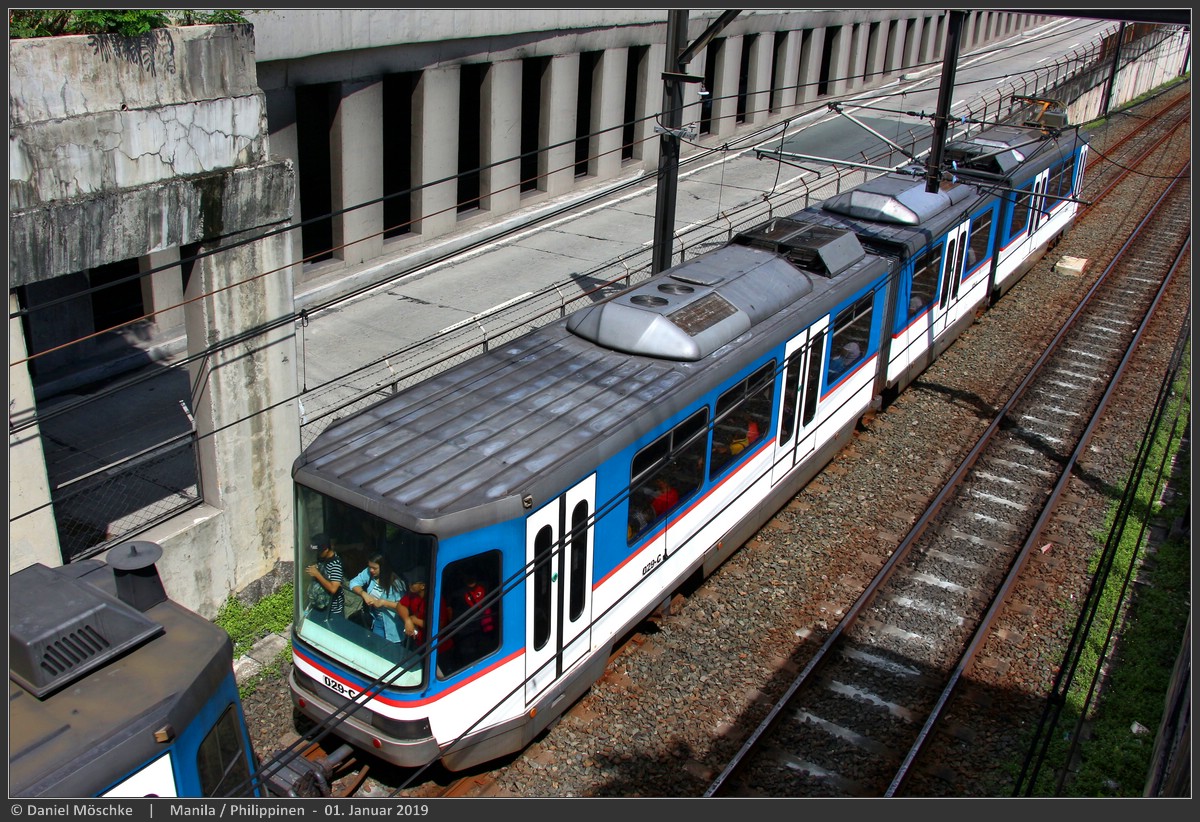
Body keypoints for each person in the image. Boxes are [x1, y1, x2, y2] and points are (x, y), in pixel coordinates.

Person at [347, 553, 405, 642]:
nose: (371, 570)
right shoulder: (369, 573)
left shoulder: (396, 584)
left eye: (374, 568)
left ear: (383, 567)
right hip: (376, 621)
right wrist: (363, 593)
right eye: (370, 567)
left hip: (393, 625)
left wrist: (384, 603)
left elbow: (404, 607)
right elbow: (354, 583)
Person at [305, 533, 344, 617]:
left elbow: (333, 588)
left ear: (326, 550)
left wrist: (317, 574)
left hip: (332, 611)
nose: (317, 553)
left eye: (318, 551)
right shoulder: (322, 558)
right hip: (317, 605)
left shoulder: (335, 564)